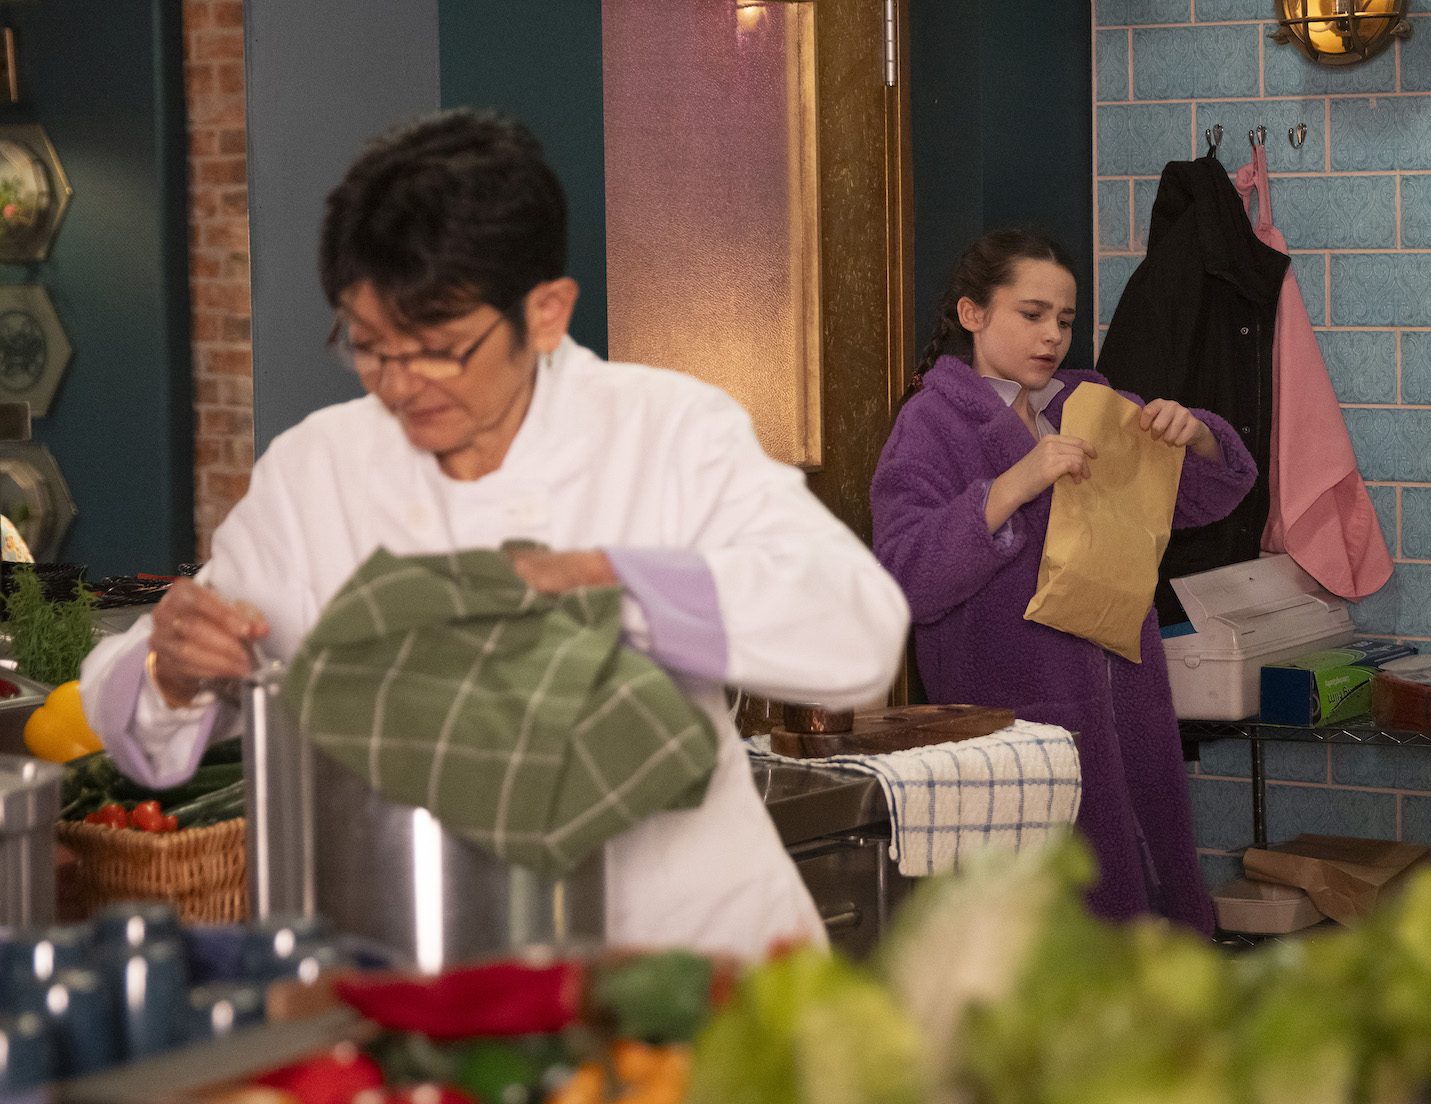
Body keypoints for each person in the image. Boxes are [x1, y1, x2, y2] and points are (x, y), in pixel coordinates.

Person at [80, 109, 910, 958]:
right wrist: (172, 669)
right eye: (369, 346)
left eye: (438, 348)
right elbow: (136, 706)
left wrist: (614, 583)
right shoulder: (318, 472)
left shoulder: (666, 432)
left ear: (545, 312)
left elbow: (860, 631)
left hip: (690, 960)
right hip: (422, 963)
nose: (399, 385)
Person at [869, 230, 1256, 935]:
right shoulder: (930, 424)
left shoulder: (1091, 404)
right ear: (972, 313)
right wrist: (1015, 485)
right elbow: (904, 577)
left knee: (1148, 932)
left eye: (1066, 321)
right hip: (1012, 729)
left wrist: (1194, 433)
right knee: (1050, 947)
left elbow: (1211, 496)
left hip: (1128, 709)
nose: (1052, 337)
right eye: (1032, 314)